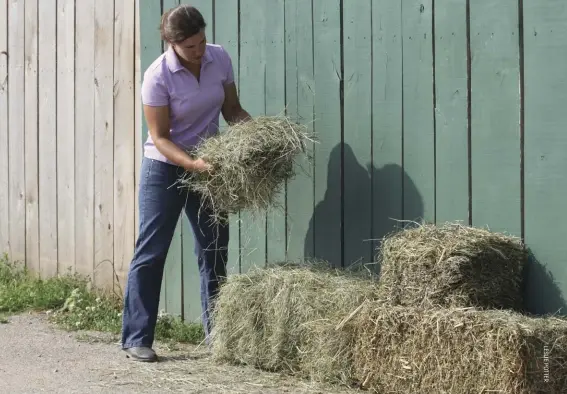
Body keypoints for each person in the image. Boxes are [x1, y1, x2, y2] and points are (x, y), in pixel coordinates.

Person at [121, 4, 251, 362]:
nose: (199, 52)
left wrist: (253, 133)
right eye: (190, 47)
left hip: (208, 167)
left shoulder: (218, 58)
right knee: (152, 250)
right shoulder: (157, 76)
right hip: (165, 168)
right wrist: (192, 163)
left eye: (202, 42)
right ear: (172, 44)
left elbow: (232, 110)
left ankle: (218, 338)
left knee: (214, 249)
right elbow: (160, 137)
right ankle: (136, 337)